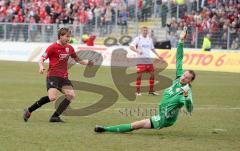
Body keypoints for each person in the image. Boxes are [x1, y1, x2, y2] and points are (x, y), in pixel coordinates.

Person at [94, 27, 196, 133]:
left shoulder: (186, 91)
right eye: (184, 75)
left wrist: (186, 97)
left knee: (137, 124)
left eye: (187, 78)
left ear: (189, 81)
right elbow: (179, 59)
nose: (183, 77)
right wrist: (181, 41)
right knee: (136, 124)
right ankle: (105, 129)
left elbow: (190, 109)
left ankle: (105, 129)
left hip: (165, 118)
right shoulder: (179, 78)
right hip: (161, 113)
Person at [23, 27, 93, 123]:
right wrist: (41, 67)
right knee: (52, 97)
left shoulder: (69, 48)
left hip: (64, 77)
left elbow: (78, 60)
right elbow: (41, 59)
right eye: (66, 36)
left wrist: (88, 62)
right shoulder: (52, 47)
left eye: (69, 36)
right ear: (60, 36)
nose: (68, 38)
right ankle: (29, 110)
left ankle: (55, 117)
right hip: (53, 76)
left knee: (70, 95)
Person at [129, 26, 162, 96]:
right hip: (140, 60)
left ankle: (151, 91)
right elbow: (131, 46)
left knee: (152, 74)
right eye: (144, 30)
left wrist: (158, 55)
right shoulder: (138, 38)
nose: (145, 32)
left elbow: (152, 48)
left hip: (148, 60)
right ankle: (138, 91)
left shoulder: (149, 39)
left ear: (148, 31)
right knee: (139, 75)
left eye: (146, 31)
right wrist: (137, 51)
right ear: (141, 31)